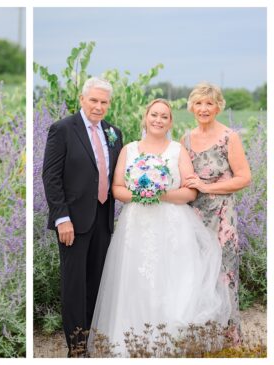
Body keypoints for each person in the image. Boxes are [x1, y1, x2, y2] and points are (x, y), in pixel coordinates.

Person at [90, 99, 231, 356]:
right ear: (145, 117)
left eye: (164, 116)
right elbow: (118, 189)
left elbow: (189, 192)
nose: (158, 120)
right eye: (154, 115)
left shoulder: (178, 150)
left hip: (172, 226)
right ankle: (131, 344)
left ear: (170, 122)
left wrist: (159, 193)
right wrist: (142, 193)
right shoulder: (129, 150)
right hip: (136, 225)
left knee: (172, 280)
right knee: (136, 281)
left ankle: (170, 345)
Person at [41, 77, 123, 357]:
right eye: (94, 100)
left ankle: (92, 338)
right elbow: (50, 177)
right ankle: (76, 348)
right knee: (75, 284)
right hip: (73, 222)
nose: (99, 106)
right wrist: (62, 218)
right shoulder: (63, 129)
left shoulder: (114, 133)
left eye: (104, 102)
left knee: (97, 281)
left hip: (103, 217)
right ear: (82, 99)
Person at [181, 82, 251, 345]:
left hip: (222, 219)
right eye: (199, 103)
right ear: (191, 107)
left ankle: (228, 340)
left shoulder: (228, 137)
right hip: (192, 217)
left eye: (209, 103)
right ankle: (202, 339)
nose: (203, 108)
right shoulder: (185, 140)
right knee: (197, 275)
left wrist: (208, 186)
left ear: (218, 106)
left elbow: (244, 178)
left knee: (223, 275)